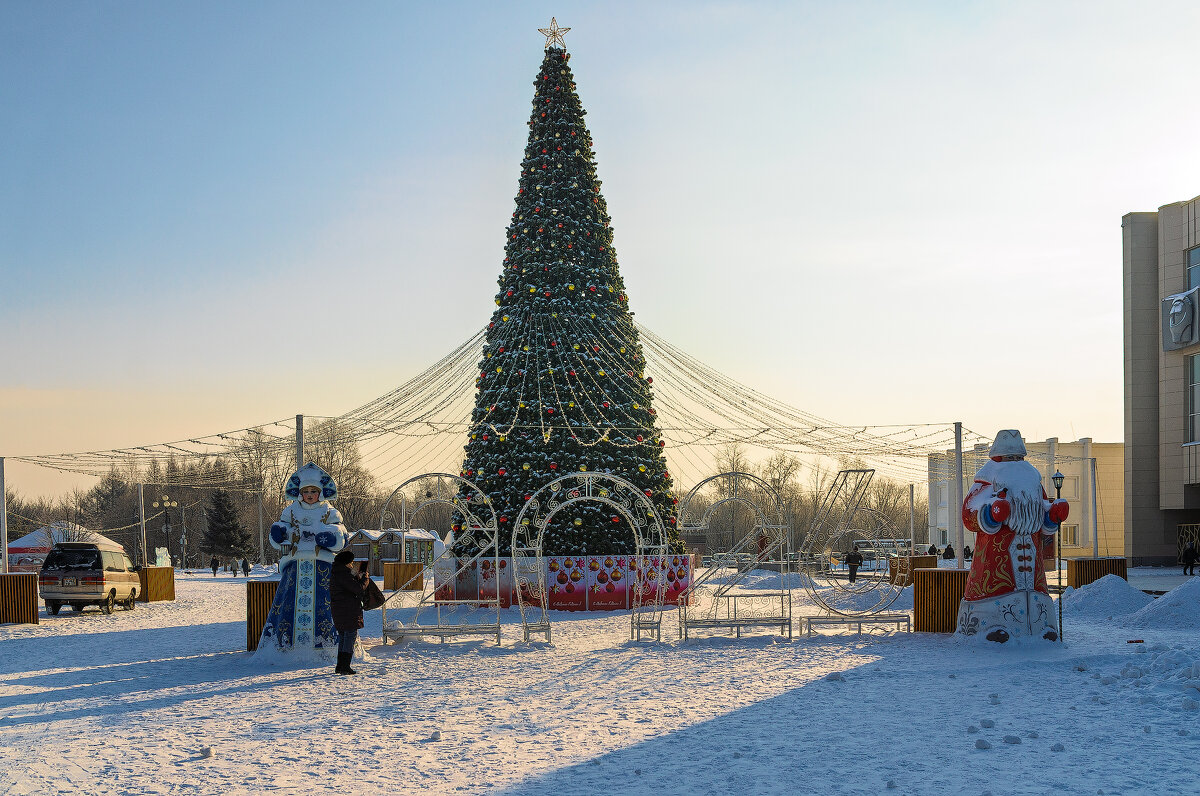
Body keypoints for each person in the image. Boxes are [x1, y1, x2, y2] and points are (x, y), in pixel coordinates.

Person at [956, 429, 1069, 643]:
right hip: (994, 561)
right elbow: (969, 512)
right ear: (997, 458)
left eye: (1018, 458)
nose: (1015, 462)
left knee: (1035, 590)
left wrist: (1052, 514)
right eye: (1010, 458)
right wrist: (989, 513)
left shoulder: (1033, 482)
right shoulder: (987, 481)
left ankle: (1040, 628)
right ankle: (989, 629)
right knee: (996, 587)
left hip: (1032, 563)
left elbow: (1043, 516)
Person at [257, 462, 350, 655]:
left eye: (313, 491)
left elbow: (342, 534)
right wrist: (279, 534)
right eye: (306, 491)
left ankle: (328, 647)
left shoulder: (330, 512)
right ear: (299, 492)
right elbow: (280, 532)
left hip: (323, 568)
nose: (309, 494)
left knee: (325, 606)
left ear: (321, 493)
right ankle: (283, 647)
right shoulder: (291, 511)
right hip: (295, 567)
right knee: (288, 604)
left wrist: (332, 537)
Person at [330, 549, 369, 675]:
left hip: (340, 610)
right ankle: (345, 666)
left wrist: (357, 576)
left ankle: (340, 666)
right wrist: (365, 579)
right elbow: (357, 589)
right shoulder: (343, 574)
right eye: (351, 563)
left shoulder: (337, 573)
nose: (352, 565)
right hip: (348, 611)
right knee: (349, 637)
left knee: (343, 638)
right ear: (346, 563)